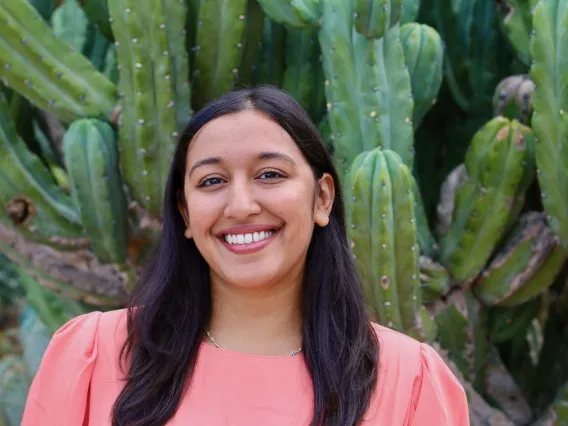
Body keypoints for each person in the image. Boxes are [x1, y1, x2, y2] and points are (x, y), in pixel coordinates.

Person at [21, 86, 469, 425]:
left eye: (270, 174)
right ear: (186, 213)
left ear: (322, 199)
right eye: (212, 181)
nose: (240, 206)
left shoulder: (409, 378)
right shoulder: (93, 353)